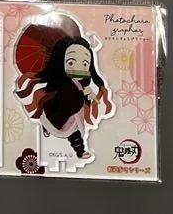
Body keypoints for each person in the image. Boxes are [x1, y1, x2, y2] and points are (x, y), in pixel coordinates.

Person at [14, 16, 113, 163]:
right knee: (72, 132)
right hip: (61, 111)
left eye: (85, 63)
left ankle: (79, 150)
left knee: (76, 133)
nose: (79, 67)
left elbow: (92, 98)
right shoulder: (62, 83)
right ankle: (76, 147)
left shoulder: (83, 84)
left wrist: (93, 97)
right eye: (71, 62)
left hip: (76, 113)